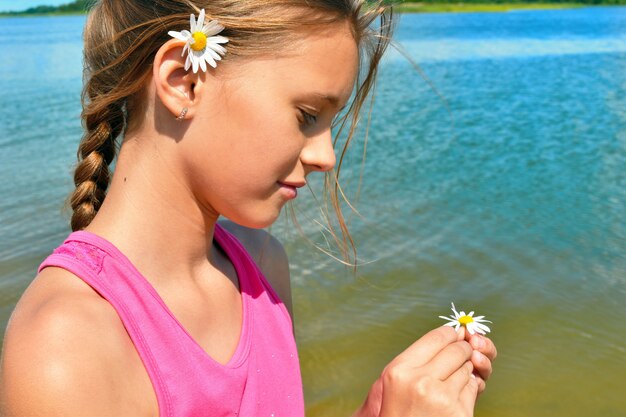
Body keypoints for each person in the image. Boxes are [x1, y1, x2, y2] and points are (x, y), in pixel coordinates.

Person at [0, 0, 497, 416]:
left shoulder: (262, 267)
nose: (324, 156)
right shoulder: (65, 348)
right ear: (184, 81)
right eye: (306, 115)